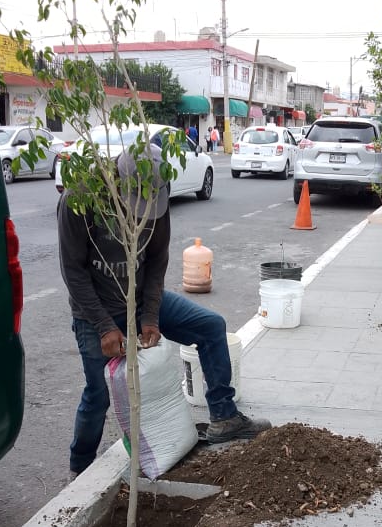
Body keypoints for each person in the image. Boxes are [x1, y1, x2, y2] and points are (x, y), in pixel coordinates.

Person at [57, 143, 270, 476]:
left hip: (141, 299)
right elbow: (73, 271)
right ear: (118, 176)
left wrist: (151, 315)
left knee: (211, 326)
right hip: (95, 311)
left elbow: (157, 261)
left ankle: (224, 417)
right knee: (98, 394)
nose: (141, 211)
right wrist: (103, 325)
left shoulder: (158, 188)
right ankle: (79, 467)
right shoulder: (81, 197)